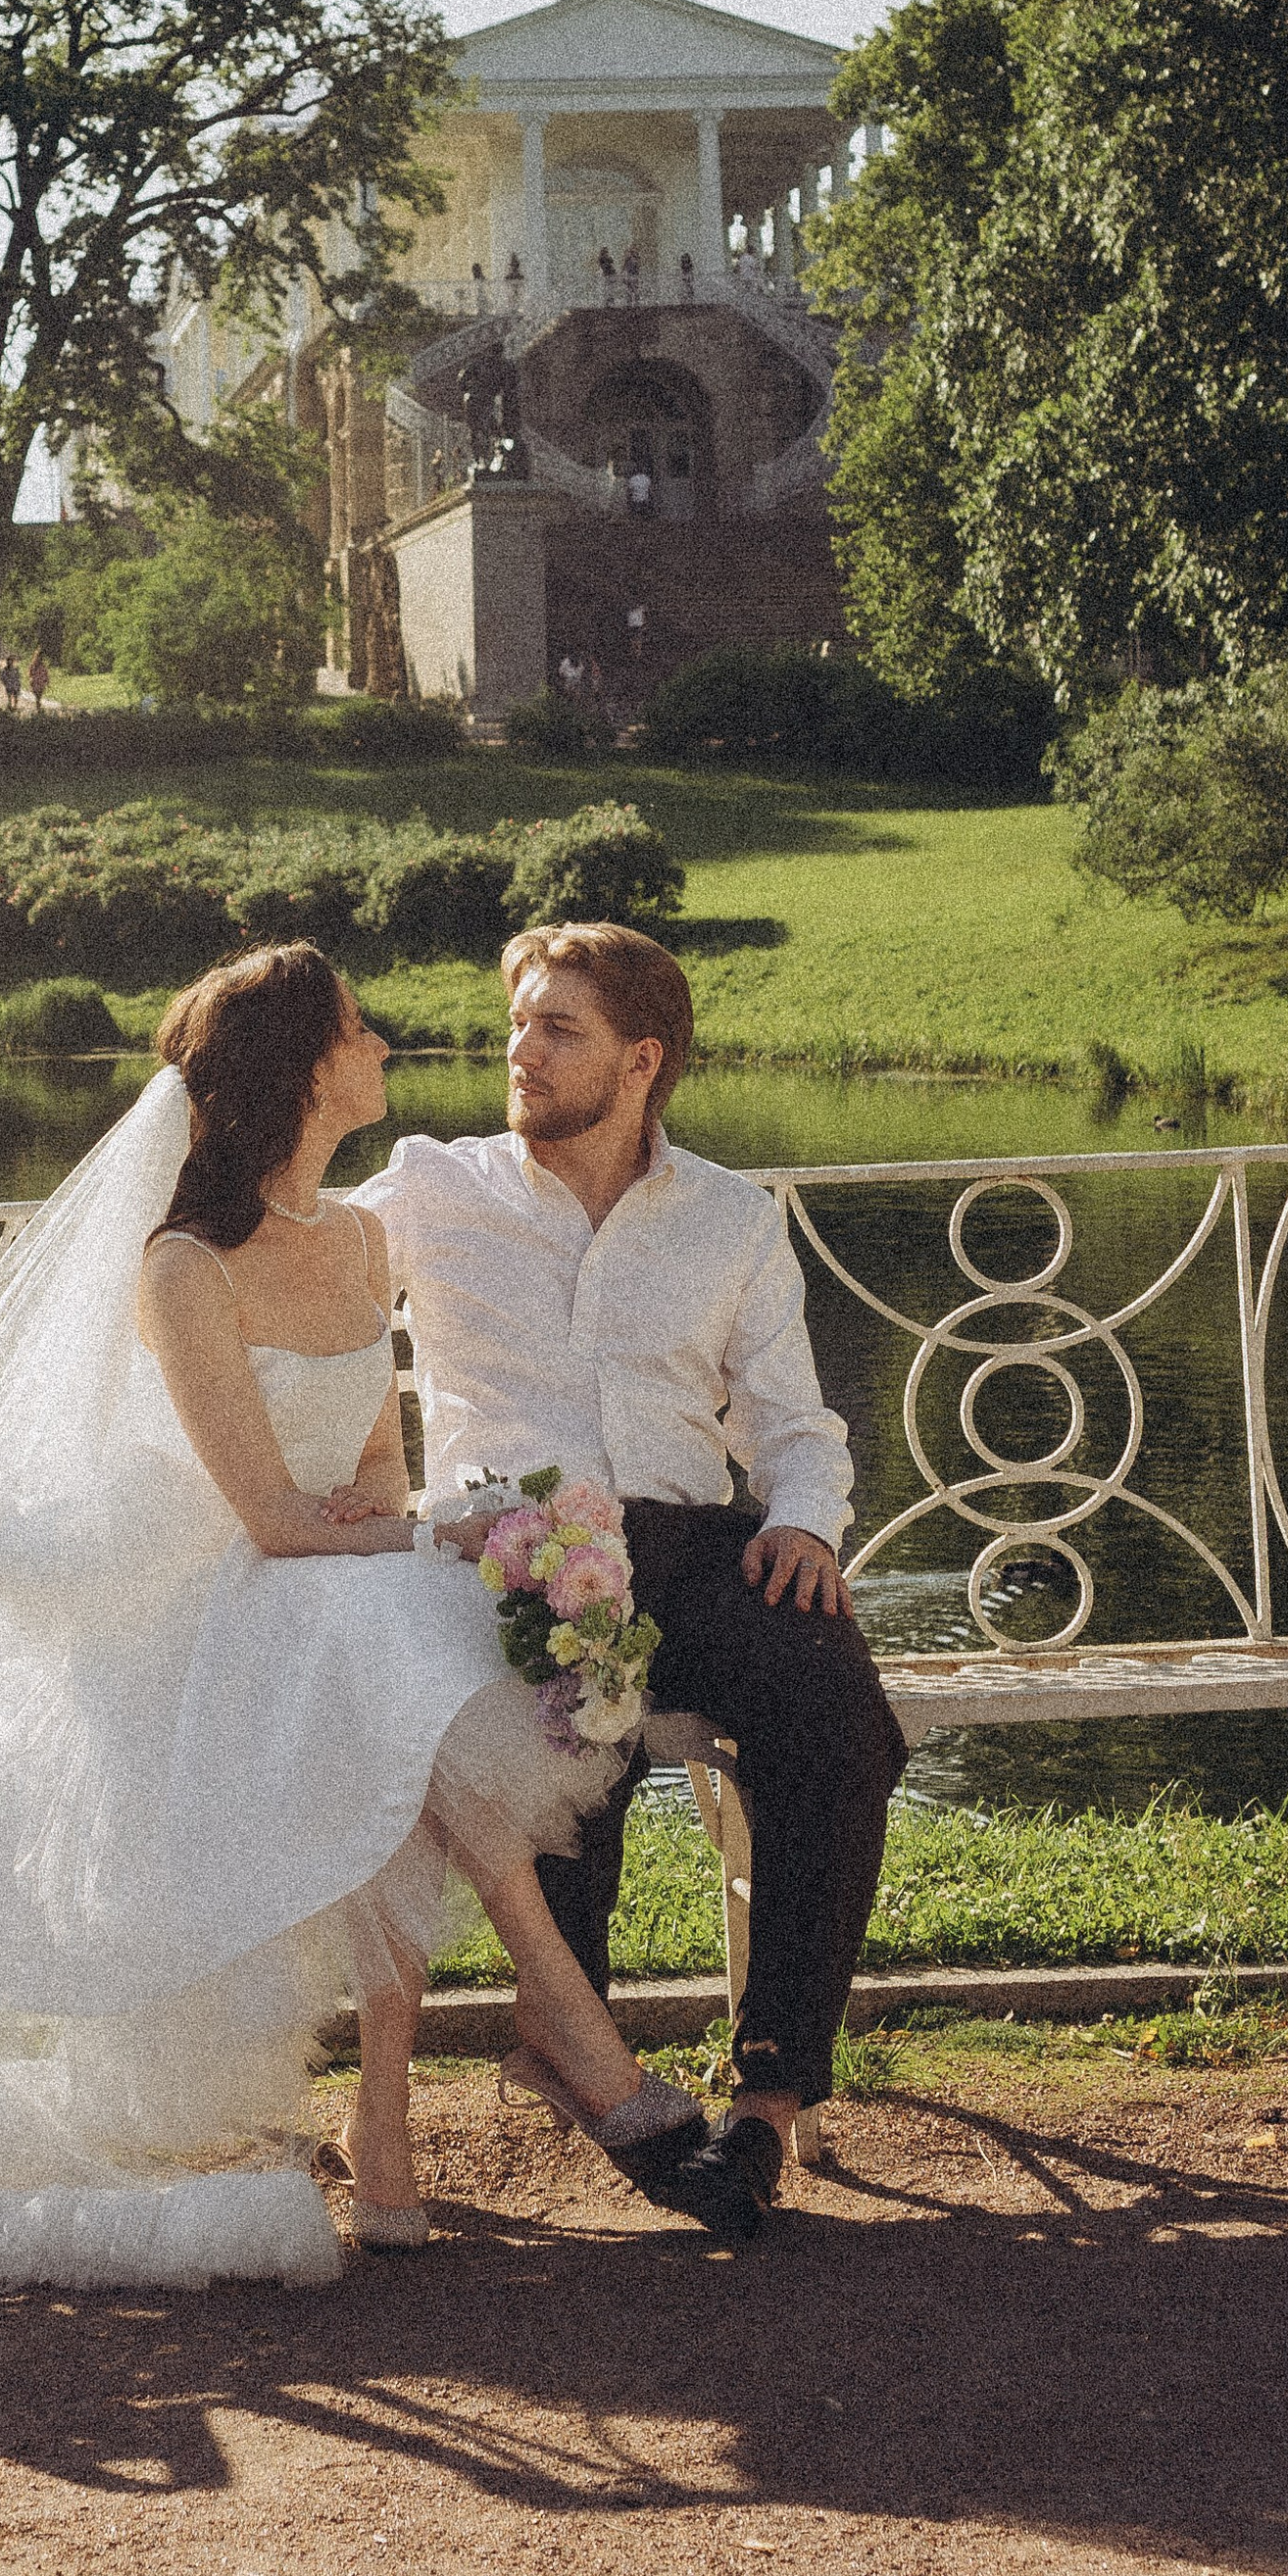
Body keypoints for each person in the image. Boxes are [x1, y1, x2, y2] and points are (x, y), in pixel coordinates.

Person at [0, 943, 761, 2289]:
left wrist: (411, 1529)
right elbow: (270, 1517)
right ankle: (559, 2033)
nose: (386, 1045)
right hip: (191, 1603)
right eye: (359, 1031)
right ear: (305, 1072)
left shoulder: (363, 1239)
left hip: (329, 1581)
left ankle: (408, 2117)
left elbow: (375, 1470)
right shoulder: (183, 1267)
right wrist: (437, 1534)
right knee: (386, 1647)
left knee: (393, 1649)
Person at [357, 922, 909, 2199]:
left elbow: (792, 1422)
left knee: (837, 1716)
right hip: (513, 1543)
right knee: (569, 1713)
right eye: (519, 1023)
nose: (521, 1051)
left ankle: (767, 2096)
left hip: (696, 1541)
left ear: (640, 1059)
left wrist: (805, 1524)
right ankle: (575, 2037)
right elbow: (295, 1269)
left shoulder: (729, 1216)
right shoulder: (437, 1186)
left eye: (560, 1030)